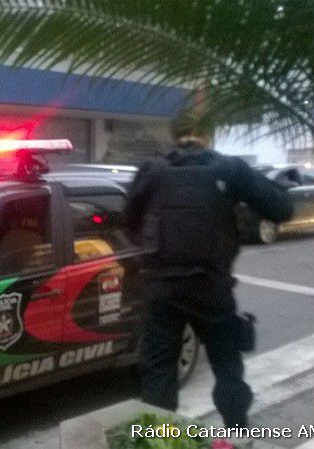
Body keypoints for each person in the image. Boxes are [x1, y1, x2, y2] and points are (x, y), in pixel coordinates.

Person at [125, 112, 294, 428]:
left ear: (173, 136)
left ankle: (160, 442)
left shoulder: (152, 171)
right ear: (208, 135)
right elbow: (282, 209)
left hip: (163, 289)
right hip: (212, 288)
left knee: (159, 374)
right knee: (228, 369)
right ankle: (236, 435)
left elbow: (130, 221)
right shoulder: (230, 169)